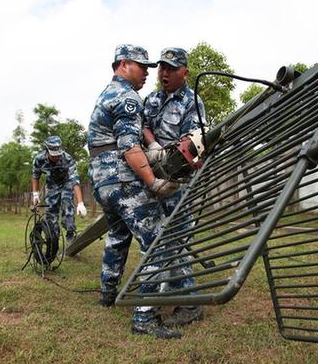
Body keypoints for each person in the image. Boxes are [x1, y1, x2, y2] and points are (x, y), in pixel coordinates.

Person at [88, 44, 181, 339]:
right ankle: (144, 317)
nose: (148, 74)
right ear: (124, 64)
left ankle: (107, 292)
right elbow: (129, 146)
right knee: (158, 243)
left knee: (117, 236)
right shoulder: (128, 98)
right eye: (143, 67)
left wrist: (150, 150)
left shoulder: (107, 93)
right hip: (123, 180)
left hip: (102, 181)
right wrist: (152, 181)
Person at [143, 47, 207, 327]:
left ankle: (191, 302)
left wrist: (168, 158)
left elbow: (194, 143)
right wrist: (152, 143)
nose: (164, 73)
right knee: (157, 239)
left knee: (178, 239)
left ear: (185, 72)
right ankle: (163, 290)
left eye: (170, 68)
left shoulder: (193, 102)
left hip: (178, 181)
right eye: (161, 68)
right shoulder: (152, 99)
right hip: (152, 178)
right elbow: (143, 126)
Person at [31, 135, 86, 245]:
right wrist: (35, 194)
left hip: (66, 183)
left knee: (67, 203)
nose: (57, 158)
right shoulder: (39, 159)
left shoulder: (67, 158)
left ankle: (70, 234)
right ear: (47, 152)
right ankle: (53, 238)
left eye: (58, 155)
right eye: (54, 156)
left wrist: (80, 202)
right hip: (51, 186)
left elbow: (75, 180)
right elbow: (35, 176)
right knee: (51, 212)